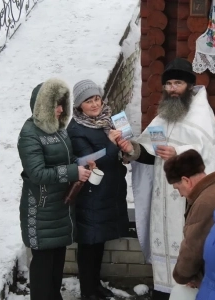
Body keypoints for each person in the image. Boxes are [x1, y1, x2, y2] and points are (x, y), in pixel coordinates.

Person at [120, 57, 215, 299]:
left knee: (187, 252)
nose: (172, 89)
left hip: (187, 202)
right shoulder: (164, 115)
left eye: (177, 83)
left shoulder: (201, 117)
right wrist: (132, 150)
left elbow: (209, 160)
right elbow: (149, 153)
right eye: (168, 84)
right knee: (164, 267)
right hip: (163, 205)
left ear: (189, 85)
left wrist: (178, 153)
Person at [17, 78, 92, 300]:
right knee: (43, 264)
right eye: (55, 105)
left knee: (57, 261)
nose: (60, 110)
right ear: (42, 107)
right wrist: (72, 172)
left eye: (62, 104)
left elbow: (67, 158)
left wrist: (82, 162)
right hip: (40, 209)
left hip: (59, 206)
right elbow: (37, 173)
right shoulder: (29, 133)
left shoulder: (59, 129)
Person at [67, 80, 129, 300]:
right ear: (79, 105)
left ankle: (95, 285)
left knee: (99, 241)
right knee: (89, 243)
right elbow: (89, 159)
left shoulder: (108, 120)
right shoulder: (76, 129)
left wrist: (126, 147)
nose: (94, 104)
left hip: (108, 191)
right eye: (88, 101)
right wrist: (112, 144)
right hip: (91, 194)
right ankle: (87, 290)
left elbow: (119, 152)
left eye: (97, 99)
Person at [163, 150, 215, 288]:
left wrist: (183, 276)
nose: (180, 195)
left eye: (178, 188)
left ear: (186, 180)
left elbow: (194, 247)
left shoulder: (204, 203)